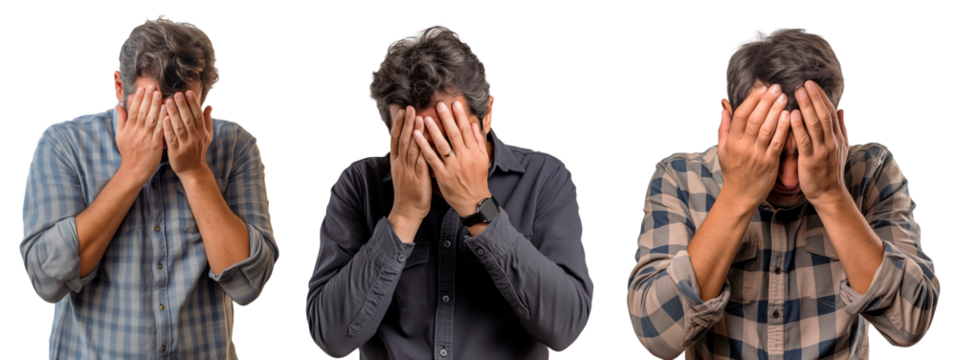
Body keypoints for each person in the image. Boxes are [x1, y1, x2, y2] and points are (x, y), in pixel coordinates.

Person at [625, 26, 939, 360]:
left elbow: (910, 326)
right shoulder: (680, 178)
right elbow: (656, 336)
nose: (790, 179)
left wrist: (832, 194)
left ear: (838, 128)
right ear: (728, 121)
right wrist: (737, 196)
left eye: (807, 149)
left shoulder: (872, 173)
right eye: (771, 151)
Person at [304, 23, 594, 359]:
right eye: (416, 139)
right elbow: (330, 338)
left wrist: (478, 207)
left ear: (487, 116)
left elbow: (566, 328)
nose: (434, 155)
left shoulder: (545, 179)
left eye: (449, 135)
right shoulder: (358, 185)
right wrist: (403, 217)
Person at [18, 14, 280, 359]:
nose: (167, 129)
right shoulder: (63, 144)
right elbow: (46, 281)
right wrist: (131, 173)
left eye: (184, 109)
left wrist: (195, 173)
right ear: (117, 86)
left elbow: (248, 285)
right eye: (151, 108)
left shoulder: (237, 146)